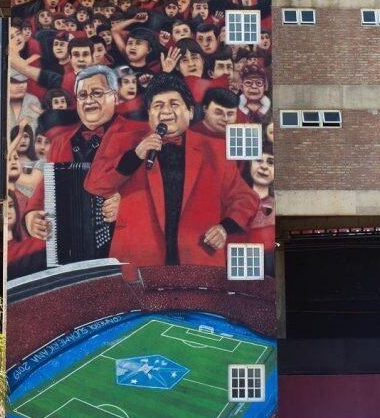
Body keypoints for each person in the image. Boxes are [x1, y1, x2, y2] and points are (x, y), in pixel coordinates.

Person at [84, 73, 259, 271]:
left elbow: (246, 198)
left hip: (198, 262)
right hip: (137, 262)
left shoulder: (216, 150)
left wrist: (224, 228)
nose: (166, 111)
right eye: (158, 105)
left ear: (191, 112)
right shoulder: (124, 140)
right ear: (149, 113)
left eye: (174, 104)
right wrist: (135, 155)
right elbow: (94, 184)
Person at [24, 65, 123, 255]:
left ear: (115, 97)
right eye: (83, 96)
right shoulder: (61, 142)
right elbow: (46, 186)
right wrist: (31, 217)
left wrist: (127, 205)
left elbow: (154, 188)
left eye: (96, 93)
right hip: (72, 252)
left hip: (123, 249)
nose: (89, 101)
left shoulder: (136, 135)